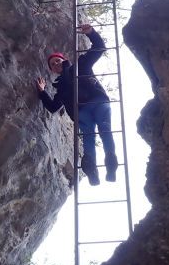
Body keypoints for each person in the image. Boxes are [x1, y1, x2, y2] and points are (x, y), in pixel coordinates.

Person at [36, 24, 118, 186]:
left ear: (65, 60)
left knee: (104, 128)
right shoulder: (60, 87)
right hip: (82, 111)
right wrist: (42, 91)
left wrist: (91, 33)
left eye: (58, 61)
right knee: (88, 137)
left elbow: (99, 47)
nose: (56, 64)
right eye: (53, 64)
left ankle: (111, 164)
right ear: (52, 70)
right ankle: (92, 170)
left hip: (98, 101)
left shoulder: (82, 64)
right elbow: (53, 107)